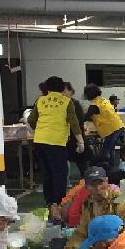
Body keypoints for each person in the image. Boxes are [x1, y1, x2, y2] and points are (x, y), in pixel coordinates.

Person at [28, 76, 85, 220]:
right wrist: (80, 141)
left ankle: (49, 202)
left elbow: (31, 120)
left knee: (47, 173)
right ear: (62, 88)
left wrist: (41, 130)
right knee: (60, 174)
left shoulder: (40, 100)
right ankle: (59, 204)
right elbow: (74, 123)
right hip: (56, 142)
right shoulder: (66, 101)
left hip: (40, 141)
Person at [60, 166, 125, 249]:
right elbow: (82, 232)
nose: (98, 188)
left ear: (107, 182)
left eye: (101, 183)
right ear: (86, 187)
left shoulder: (118, 200)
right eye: (93, 185)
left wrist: (109, 245)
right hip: (95, 245)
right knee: (61, 246)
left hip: (115, 247)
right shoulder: (88, 204)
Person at [84, 83, 124, 167]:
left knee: (105, 152)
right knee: (110, 150)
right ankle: (112, 168)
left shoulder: (94, 106)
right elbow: (101, 115)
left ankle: (106, 169)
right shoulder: (103, 100)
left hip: (111, 130)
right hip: (118, 126)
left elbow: (85, 118)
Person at [63, 82, 89, 178]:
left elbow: (79, 122)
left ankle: (88, 181)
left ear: (71, 91)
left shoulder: (75, 103)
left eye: (65, 91)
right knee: (64, 162)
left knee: (81, 162)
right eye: (61, 92)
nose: (62, 94)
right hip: (65, 137)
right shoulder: (62, 104)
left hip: (76, 137)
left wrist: (80, 140)